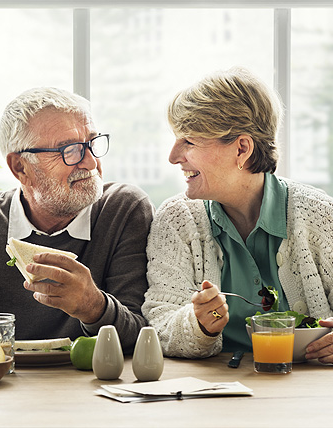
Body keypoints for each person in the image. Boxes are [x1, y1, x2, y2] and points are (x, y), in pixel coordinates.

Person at [142, 67, 333, 363]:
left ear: (241, 148)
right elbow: (160, 323)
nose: (173, 156)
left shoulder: (320, 215)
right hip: (213, 392)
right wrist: (199, 325)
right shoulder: (176, 219)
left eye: (189, 141)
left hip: (310, 395)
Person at [0, 87, 154, 353]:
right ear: (21, 167)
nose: (90, 162)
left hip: (93, 386)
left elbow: (143, 337)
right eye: (70, 150)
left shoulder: (124, 209)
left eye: (92, 143)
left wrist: (93, 306)